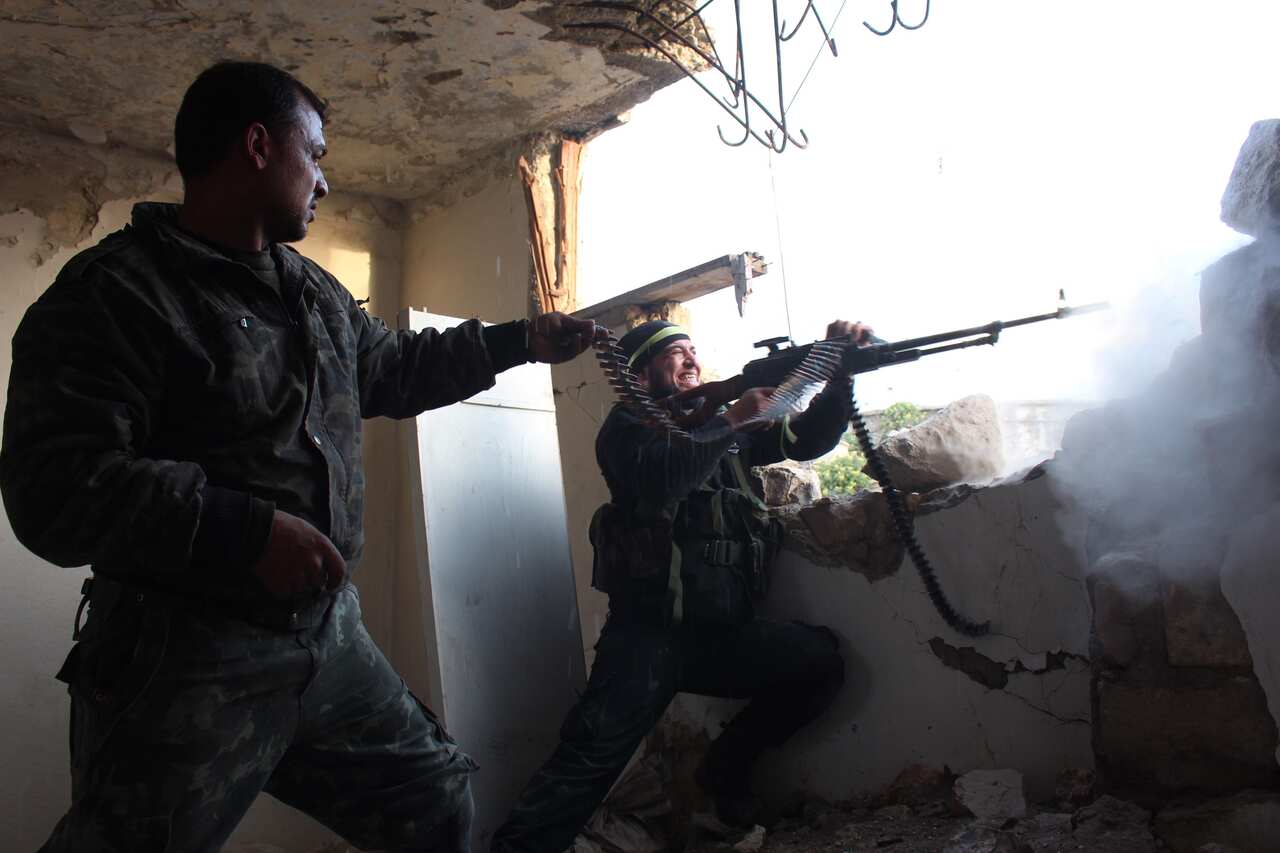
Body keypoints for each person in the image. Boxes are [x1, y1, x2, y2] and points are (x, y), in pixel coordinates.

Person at [0, 61, 596, 853]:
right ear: (256, 146)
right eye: (313, 154)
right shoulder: (116, 294)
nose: (322, 179)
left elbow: (392, 368)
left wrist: (521, 340)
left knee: (436, 803)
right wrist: (244, 533)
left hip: (328, 637)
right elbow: (54, 488)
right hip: (191, 655)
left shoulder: (312, 292)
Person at [490, 318, 869, 853]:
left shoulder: (722, 429)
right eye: (676, 353)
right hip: (647, 639)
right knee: (585, 762)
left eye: (695, 351)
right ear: (641, 376)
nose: (693, 360)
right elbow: (665, 476)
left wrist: (839, 377)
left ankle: (724, 771)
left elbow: (806, 441)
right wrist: (732, 420)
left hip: (719, 638)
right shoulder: (628, 426)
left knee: (819, 662)